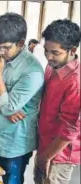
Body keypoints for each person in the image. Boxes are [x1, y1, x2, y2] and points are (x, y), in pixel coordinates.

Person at [0, 13, 44, 184]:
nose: (0, 52)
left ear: (21, 43)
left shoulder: (33, 71)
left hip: (13, 144)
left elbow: (7, 107)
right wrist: (6, 110)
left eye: (5, 47)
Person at [34, 19, 80, 184]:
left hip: (59, 155)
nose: (48, 56)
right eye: (46, 51)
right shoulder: (52, 67)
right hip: (45, 144)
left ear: (72, 50)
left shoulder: (75, 81)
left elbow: (70, 130)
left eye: (55, 52)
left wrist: (46, 157)